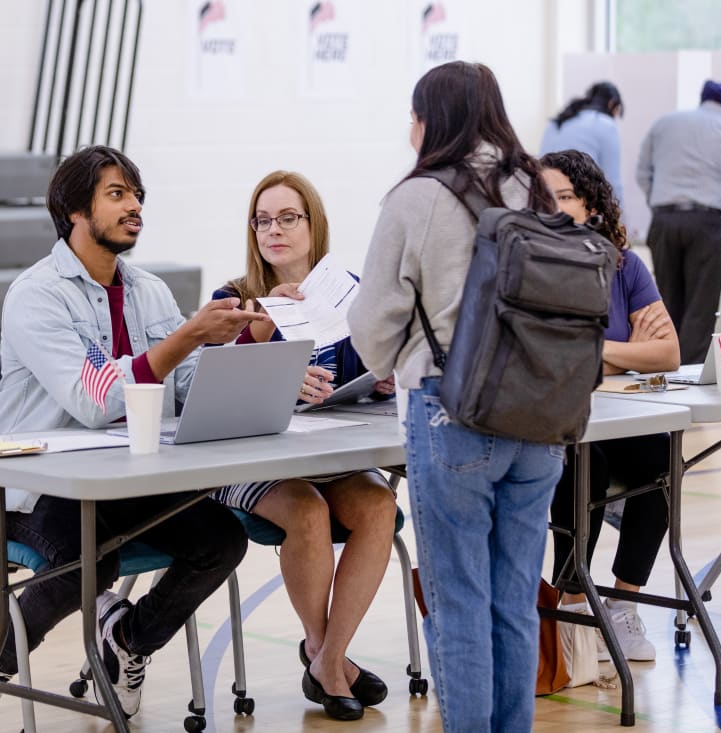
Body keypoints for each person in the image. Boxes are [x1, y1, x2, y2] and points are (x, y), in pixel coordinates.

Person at [0, 145, 264, 732]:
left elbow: (187, 384)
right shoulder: (37, 294)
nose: (134, 206)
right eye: (117, 194)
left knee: (221, 538)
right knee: (93, 560)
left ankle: (128, 638)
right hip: (34, 484)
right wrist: (189, 335)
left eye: (136, 195)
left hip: (129, 479)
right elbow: (94, 400)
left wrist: (250, 346)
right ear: (74, 211)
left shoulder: (149, 291)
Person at [347, 61, 562, 733]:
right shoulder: (538, 189)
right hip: (540, 413)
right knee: (515, 599)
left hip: (453, 410)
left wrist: (393, 364)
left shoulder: (417, 197)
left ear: (431, 119)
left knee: (459, 598)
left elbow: (371, 323)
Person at [209, 170, 398, 721]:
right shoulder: (235, 299)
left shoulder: (350, 294)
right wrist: (268, 348)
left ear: (313, 226)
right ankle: (326, 655)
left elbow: (370, 374)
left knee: (380, 504)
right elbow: (212, 389)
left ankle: (326, 657)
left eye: (288, 218)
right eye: (263, 220)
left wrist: (380, 380)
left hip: (327, 454)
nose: (275, 230)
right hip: (249, 459)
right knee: (309, 514)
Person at [541, 149, 680, 661]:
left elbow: (668, 352)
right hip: (553, 426)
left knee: (662, 459)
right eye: (542, 198)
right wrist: (628, 352)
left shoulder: (625, 265)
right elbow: (556, 362)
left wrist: (599, 350)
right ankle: (574, 603)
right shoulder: (534, 268)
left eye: (565, 196)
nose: (552, 207)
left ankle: (624, 604)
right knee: (584, 465)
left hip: (613, 418)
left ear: (591, 205)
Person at [636, 79, 721, 365]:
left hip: (663, 220)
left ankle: (660, 368)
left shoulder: (664, 122)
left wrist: (662, 201)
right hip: (706, 224)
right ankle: (688, 378)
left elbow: (642, 174)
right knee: (700, 309)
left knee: (664, 302)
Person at [539, 81, 625, 200]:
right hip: (578, 199)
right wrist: (618, 214)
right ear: (611, 104)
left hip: (546, 196)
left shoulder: (558, 121)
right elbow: (612, 181)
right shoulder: (605, 123)